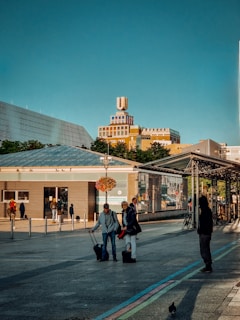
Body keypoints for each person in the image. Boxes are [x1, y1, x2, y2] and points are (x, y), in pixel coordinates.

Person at [198, 195, 213, 273]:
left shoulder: (205, 211)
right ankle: (208, 264)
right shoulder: (207, 210)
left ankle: (208, 265)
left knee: (204, 249)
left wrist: (200, 230)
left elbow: (204, 223)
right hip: (207, 232)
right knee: (206, 249)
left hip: (204, 233)